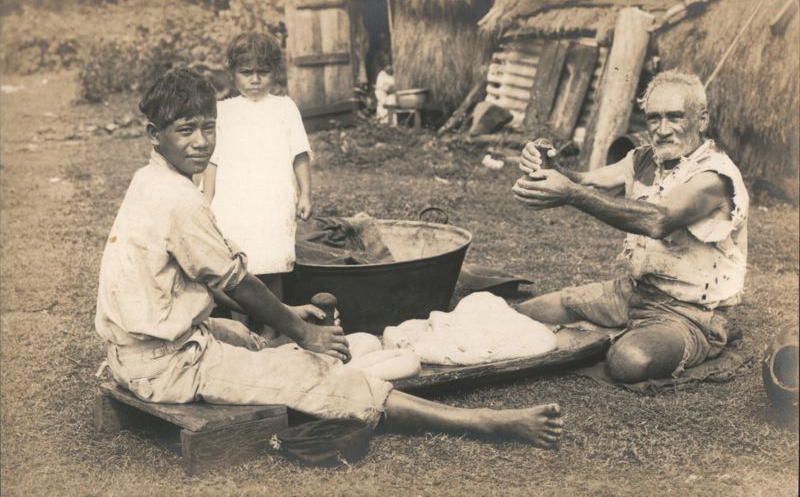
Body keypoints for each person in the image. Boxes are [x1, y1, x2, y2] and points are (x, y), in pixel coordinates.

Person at [94, 68, 563, 448]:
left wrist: (288, 312)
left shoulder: (150, 181)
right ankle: (486, 423)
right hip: (167, 367)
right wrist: (305, 332)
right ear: (155, 134)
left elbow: (205, 276)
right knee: (311, 373)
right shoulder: (179, 200)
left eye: (208, 127)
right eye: (185, 130)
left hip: (136, 351)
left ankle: (269, 359)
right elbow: (234, 279)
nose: (200, 141)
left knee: (239, 331)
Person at [512, 70, 749, 384]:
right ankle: (615, 331)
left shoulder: (714, 176)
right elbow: (583, 181)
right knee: (523, 314)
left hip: (689, 314)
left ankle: (699, 336)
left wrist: (570, 194)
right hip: (632, 293)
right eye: (654, 118)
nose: (662, 130)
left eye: (675, 117)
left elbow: (658, 219)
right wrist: (548, 164)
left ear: (701, 120)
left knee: (629, 362)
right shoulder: (643, 159)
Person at [202, 32, 310, 304]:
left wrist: (306, 193)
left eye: (263, 72)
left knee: (271, 264)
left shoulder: (285, 108)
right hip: (234, 201)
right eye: (246, 72)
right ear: (232, 73)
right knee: (238, 269)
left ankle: (275, 332)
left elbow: (300, 153)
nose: (255, 79)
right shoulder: (223, 111)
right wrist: (206, 201)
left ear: (275, 72)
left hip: (273, 199)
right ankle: (244, 331)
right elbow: (213, 160)